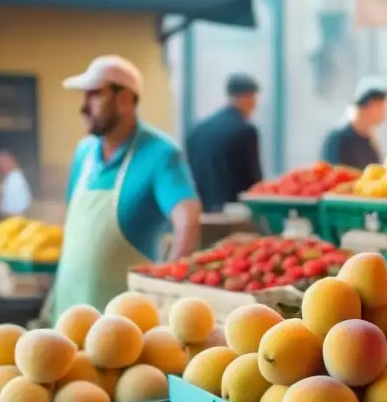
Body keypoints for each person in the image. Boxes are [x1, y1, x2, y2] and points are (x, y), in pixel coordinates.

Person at [51, 55, 201, 317]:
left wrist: (168, 285)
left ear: (125, 100)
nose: (84, 107)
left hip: (124, 323)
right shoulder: (84, 153)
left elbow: (187, 219)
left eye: (95, 95)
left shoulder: (160, 154)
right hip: (67, 309)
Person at [185, 73, 263, 211]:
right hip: (233, 212)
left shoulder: (197, 130)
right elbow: (253, 180)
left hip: (201, 211)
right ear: (248, 97)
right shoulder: (245, 130)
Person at [321, 78, 387, 170]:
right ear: (370, 104)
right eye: (382, 106)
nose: (385, 112)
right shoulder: (338, 139)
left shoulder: (368, 137)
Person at [0, 150, 33, 216]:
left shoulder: (16, 178)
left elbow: (17, 206)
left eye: (4, 162)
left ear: (12, 161)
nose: (1, 166)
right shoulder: (8, 177)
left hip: (15, 216)